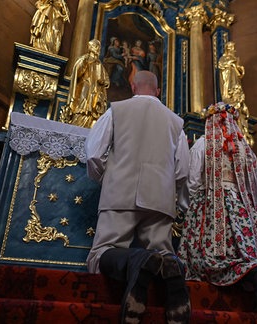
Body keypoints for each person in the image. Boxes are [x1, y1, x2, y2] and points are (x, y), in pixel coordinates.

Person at [85, 71, 192, 323]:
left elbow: (93, 153)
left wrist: (107, 179)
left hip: (120, 193)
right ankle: (173, 283)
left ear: (133, 86)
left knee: (102, 253)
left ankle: (138, 260)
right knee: (162, 254)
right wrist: (167, 191)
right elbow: (182, 170)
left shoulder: (116, 110)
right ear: (157, 91)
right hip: (160, 199)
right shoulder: (175, 122)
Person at [177, 102, 257, 313]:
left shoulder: (203, 144)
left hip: (210, 205)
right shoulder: (244, 149)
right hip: (240, 209)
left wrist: (189, 209)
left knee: (208, 260)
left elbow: (193, 181)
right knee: (243, 253)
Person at [62, 39, 110, 128]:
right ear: (90, 47)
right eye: (96, 46)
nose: (98, 49)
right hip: (85, 90)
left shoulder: (99, 64)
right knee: (82, 110)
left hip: (96, 92)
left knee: (93, 113)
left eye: (99, 47)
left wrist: (105, 82)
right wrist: (85, 63)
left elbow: (105, 77)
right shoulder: (84, 59)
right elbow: (77, 72)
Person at [218, 41, 254, 146]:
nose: (233, 50)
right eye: (231, 48)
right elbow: (221, 65)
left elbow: (240, 72)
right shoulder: (223, 59)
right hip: (227, 81)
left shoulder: (235, 59)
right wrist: (231, 63)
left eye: (233, 48)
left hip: (235, 84)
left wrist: (237, 67)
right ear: (227, 49)